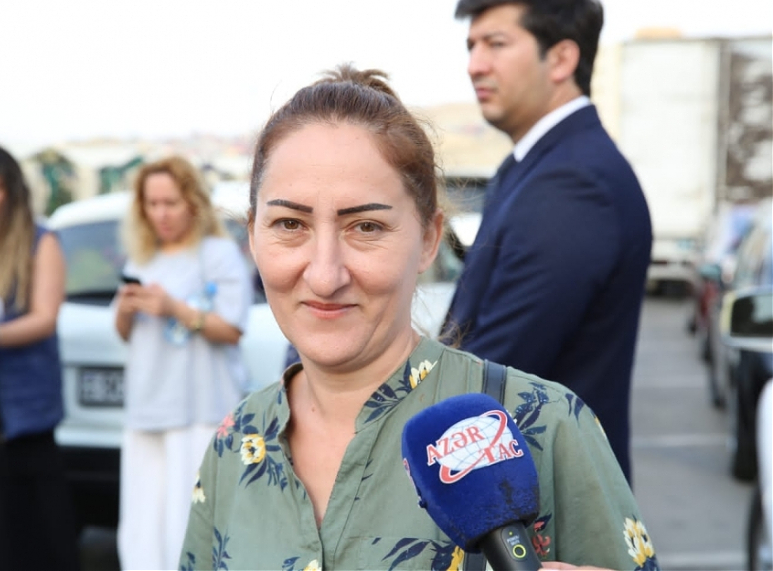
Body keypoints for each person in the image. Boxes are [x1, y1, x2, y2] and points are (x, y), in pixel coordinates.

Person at [179, 64, 660, 571]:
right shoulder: (237, 442)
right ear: (253, 236)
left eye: (366, 227)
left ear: (429, 239)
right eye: (289, 224)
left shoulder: (543, 425)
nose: (324, 275)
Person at [441, 0, 653, 484]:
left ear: (561, 58)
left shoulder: (574, 183)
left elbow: (493, 371)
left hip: (546, 505)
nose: (475, 65)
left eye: (496, 44)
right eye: (472, 46)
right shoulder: (534, 166)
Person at [113, 155, 253, 571]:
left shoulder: (217, 254)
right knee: (142, 525)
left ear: (193, 201)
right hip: (147, 408)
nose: (161, 213)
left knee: (190, 520)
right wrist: (126, 309)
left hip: (199, 409)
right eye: (152, 204)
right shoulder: (141, 258)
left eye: (170, 202)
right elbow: (124, 333)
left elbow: (232, 328)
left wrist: (173, 307)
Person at [0, 141, 80, 571]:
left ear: (11, 190)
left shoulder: (39, 240)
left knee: (26, 520)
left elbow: (45, 318)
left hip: (16, 399)